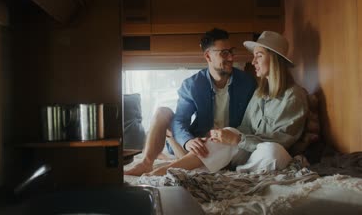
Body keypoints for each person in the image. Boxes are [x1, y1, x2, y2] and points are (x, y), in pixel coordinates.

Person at [146, 31, 309, 176]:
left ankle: (232, 174)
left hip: (265, 153)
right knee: (228, 131)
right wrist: (225, 136)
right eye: (224, 53)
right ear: (208, 56)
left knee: (273, 151)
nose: (253, 62)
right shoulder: (260, 93)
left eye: (258, 56)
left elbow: (282, 141)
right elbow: (246, 126)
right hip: (244, 150)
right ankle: (165, 170)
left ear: (274, 60)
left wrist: (239, 139)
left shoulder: (293, 96)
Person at [124, 28, 257, 176]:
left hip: (229, 146)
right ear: (208, 56)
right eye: (224, 53)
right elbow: (180, 120)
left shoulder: (247, 83)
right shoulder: (192, 85)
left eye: (231, 51)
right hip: (199, 145)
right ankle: (146, 164)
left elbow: (253, 121)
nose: (231, 58)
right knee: (163, 112)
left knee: (180, 138)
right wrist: (188, 141)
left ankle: (171, 158)